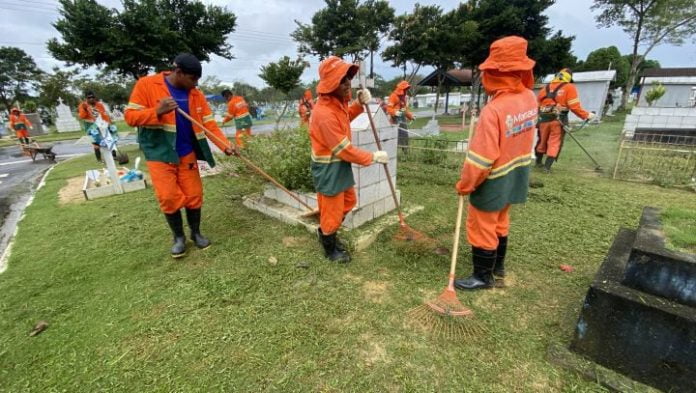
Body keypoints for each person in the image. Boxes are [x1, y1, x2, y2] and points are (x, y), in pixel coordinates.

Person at [125, 53, 237, 259]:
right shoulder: (147, 85)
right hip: (160, 152)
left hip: (187, 152)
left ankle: (196, 233)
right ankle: (178, 238)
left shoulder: (195, 94)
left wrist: (225, 145)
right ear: (178, 72)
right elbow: (130, 117)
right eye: (192, 79)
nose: (194, 84)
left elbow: (209, 124)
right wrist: (156, 111)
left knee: (194, 194)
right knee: (168, 196)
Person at [454, 36, 538, 290]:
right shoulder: (529, 98)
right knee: (501, 221)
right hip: (517, 175)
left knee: (482, 226)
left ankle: (482, 277)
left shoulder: (495, 110)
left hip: (494, 180)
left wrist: (465, 184)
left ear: (495, 72)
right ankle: (497, 267)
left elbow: (481, 160)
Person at [310, 56, 388, 263]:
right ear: (331, 84)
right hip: (328, 169)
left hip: (339, 166)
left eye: (348, 78)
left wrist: (358, 105)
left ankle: (328, 233)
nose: (347, 83)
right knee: (331, 211)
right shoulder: (323, 113)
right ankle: (329, 247)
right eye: (342, 80)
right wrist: (372, 157)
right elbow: (343, 149)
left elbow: (344, 120)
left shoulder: (336, 104)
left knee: (349, 201)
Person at [536, 68, 595, 172]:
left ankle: (538, 162)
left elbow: (537, 105)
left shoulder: (545, 88)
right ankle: (546, 168)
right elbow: (574, 107)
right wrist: (587, 115)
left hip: (543, 120)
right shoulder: (569, 87)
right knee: (554, 142)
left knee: (542, 140)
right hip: (558, 120)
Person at [78, 91, 112, 162]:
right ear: (86, 98)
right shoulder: (83, 105)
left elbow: (104, 114)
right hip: (91, 126)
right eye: (89, 98)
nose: (91, 99)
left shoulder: (99, 105)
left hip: (102, 124)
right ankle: (99, 159)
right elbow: (82, 116)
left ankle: (113, 156)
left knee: (108, 139)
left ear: (95, 97)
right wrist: (84, 109)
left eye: (93, 97)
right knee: (95, 143)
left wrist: (108, 122)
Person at [386, 81, 415, 151]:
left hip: (402, 118)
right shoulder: (393, 96)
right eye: (405, 89)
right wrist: (395, 112)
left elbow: (404, 109)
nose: (406, 91)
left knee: (404, 134)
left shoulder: (403, 98)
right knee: (395, 135)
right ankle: (392, 150)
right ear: (401, 89)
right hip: (394, 119)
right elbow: (389, 108)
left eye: (407, 89)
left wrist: (411, 116)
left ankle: (405, 151)